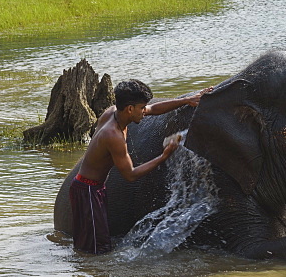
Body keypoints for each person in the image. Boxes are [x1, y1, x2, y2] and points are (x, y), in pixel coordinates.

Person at [69, 79, 211, 254]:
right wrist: (164, 156)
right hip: (88, 191)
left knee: (93, 244)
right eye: (142, 108)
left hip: (90, 188)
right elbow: (131, 175)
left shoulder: (114, 112)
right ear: (130, 109)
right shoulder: (113, 135)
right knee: (95, 250)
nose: (145, 111)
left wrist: (186, 100)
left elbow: (153, 109)